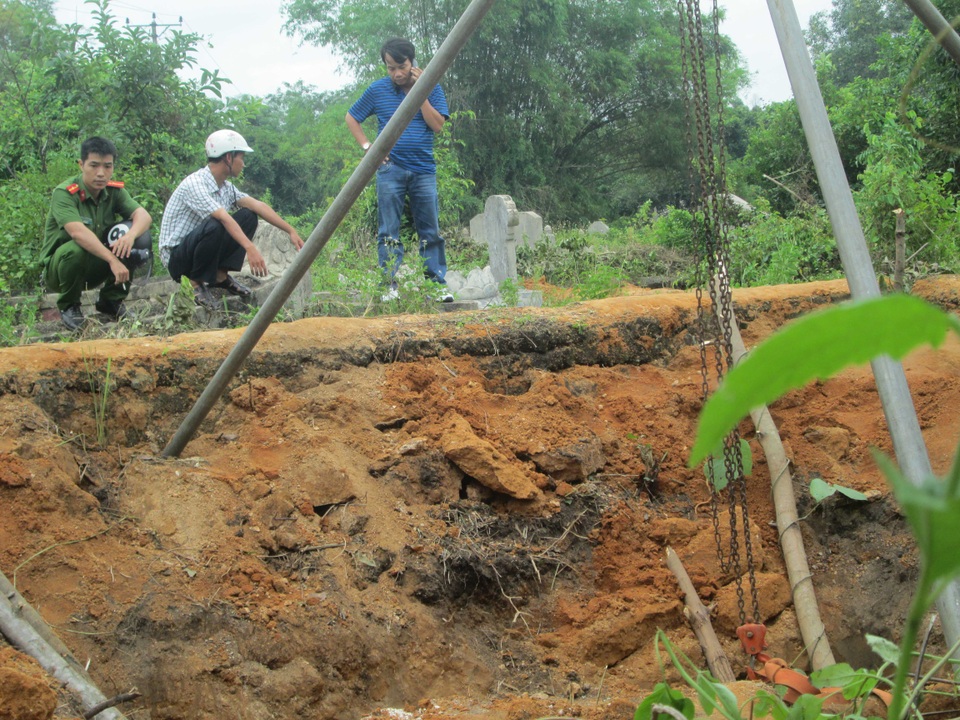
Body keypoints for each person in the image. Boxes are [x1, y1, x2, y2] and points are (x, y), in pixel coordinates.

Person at [346, 37, 453, 302]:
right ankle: (389, 287)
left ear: (412, 62)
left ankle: (436, 286)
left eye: (401, 66)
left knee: (430, 231)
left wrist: (420, 91)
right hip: (390, 169)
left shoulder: (431, 87)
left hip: (423, 170)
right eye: (390, 67)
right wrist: (367, 146)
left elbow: (437, 125)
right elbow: (352, 117)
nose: (396, 73)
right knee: (389, 231)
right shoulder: (378, 89)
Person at [158, 129, 304, 309]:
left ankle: (220, 275)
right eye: (241, 158)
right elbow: (222, 218)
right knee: (217, 222)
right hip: (177, 259)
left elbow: (257, 205)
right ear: (229, 158)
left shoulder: (225, 188)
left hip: (198, 249)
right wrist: (250, 248)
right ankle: (196, 283)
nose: (243, 164)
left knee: (248, 215)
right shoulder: (195, 184)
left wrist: (290, 230)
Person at [41, 137, 153, 330]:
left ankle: (111, 301)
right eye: (94, 165)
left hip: (95, 265)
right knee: (76, 248)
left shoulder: (114, 191)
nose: (101, 173)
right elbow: (77, 233)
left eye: (107, 166)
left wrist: (130, 236)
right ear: (81, 164)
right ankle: (69, 306)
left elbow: (143, 216)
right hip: (60, 271)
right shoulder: (65, 193)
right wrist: (112, 260)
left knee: (137, 238)